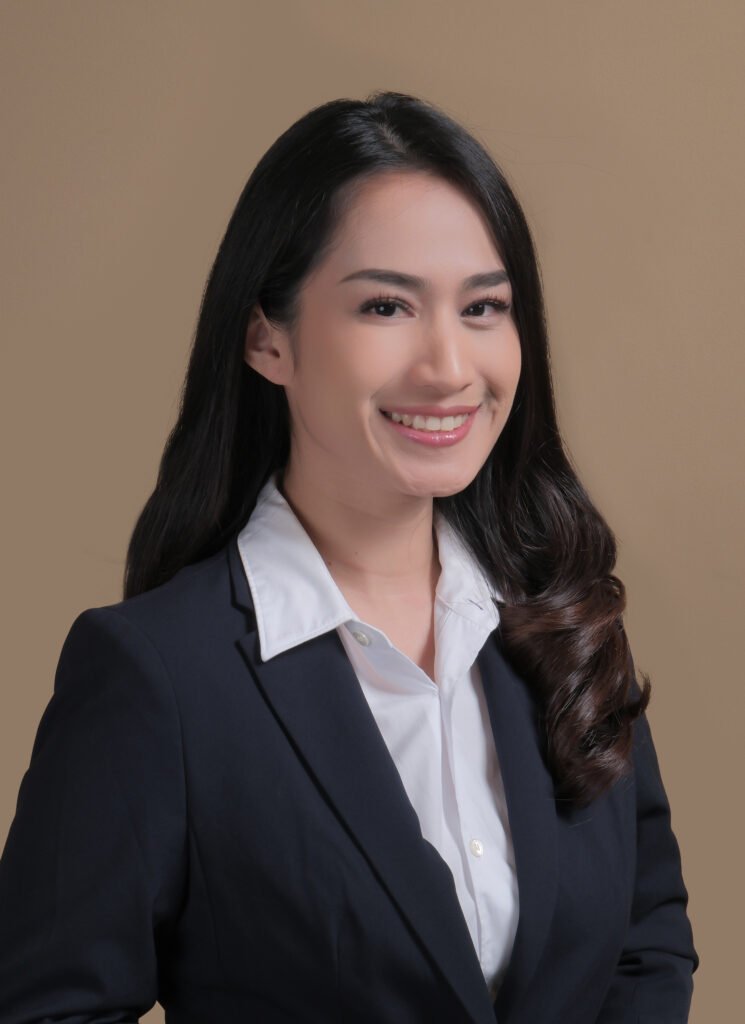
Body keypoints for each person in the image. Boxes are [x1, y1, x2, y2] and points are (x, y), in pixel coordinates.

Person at [0, 91, 697, 1023]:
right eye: (385, 305)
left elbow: (646, 940)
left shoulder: (560, 618)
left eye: (483, 307)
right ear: (266, 338)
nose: (448, 367)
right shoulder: (156, 676)